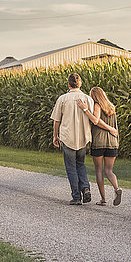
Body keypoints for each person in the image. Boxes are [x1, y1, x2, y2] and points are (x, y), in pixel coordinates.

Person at [50, 73, 94, 205]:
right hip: (83, 137)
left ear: (68, 84)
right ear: (80, 84)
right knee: (81, 164)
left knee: (71, 167)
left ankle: (76, 197)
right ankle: (85, 187)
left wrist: (55, 136)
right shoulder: (87, 98)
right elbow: (92, 118)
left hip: (68, 137)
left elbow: (57, 120)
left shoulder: (62, 99)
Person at [77, 87, 122, 206]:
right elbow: (114, 125)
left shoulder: (97, 105)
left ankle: (103, 199)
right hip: (112, 142)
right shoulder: (112, 107)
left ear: (95, 96)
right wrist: (112, 130)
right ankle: (117, 189)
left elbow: (96, 120)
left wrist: (85, 109)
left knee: (99, 171)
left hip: (99, 142)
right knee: (109, 170)